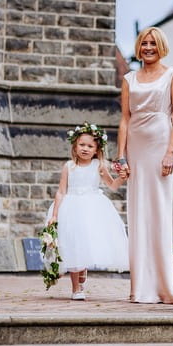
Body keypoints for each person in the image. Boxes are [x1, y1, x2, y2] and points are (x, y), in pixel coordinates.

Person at [117, 27, 173, 304]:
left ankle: (165, 285)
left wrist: (170, 151)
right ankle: (141, 286)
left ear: (161, 46)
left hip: (160, 147)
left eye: (153, 43)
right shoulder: (129, 78)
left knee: (159, 211)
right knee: (138, 212)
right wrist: (120, 156)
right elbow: (124, 118)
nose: (148, 48)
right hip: (136, 148)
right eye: (144, 43)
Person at [47, 123, 129, 301]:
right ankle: (76, 288)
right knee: (73, 244)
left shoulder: (98, 166)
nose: (85, 149)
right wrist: (54, 214)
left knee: (87, 241)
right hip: (71, 207)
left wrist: (123, 178)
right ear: (75, 146)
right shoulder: (69, 166)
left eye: (90, 146)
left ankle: (83, 269)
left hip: (93, 208)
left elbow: (112, 186)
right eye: (82, 145)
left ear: (96, 149)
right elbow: (61, 191)